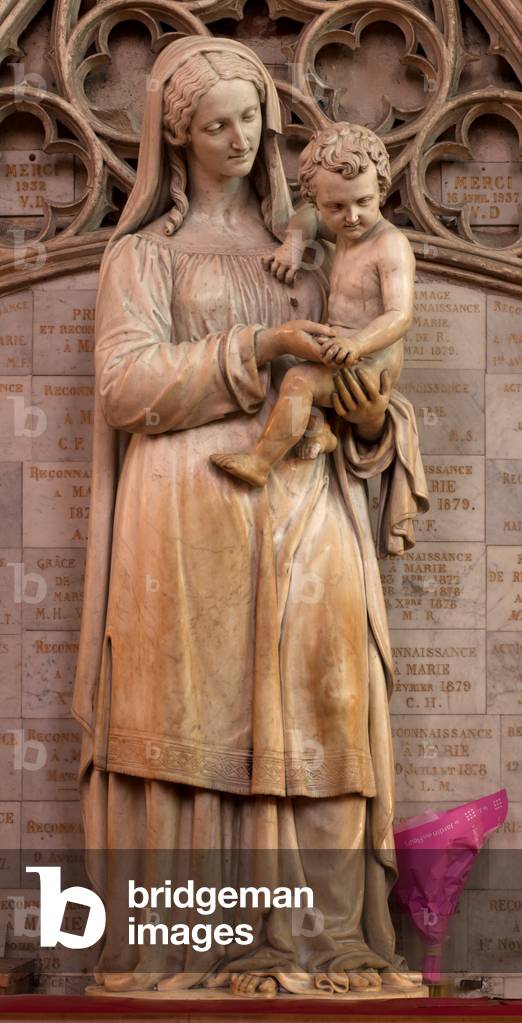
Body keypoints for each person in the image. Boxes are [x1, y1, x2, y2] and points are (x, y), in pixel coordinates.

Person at [73, 35, 429, 997]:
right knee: (186, 725)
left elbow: (369, 383)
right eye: (215, 122)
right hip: (182, 522)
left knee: (324, 697)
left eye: (251, 117)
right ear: (176, 134)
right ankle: (183, 941)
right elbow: (123, 386)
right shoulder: (142, 256)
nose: (238, 136)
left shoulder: (319, 243)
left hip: (310, 510)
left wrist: (360, 399)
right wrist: (259, 344)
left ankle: (319, 941)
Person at [211, 123, 414, 487]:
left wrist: (357, 344)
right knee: (285, 356)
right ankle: (320, 430)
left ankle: (260, 462)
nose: (351, 216)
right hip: (342, 344)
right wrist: (293, 246)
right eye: (336, 206)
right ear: (317, 198)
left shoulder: (389, 244)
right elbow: (306, 218)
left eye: (363, 202)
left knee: (299, 380)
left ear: (381, 190)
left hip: (371, 358)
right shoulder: (341, 227)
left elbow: (400, 315)